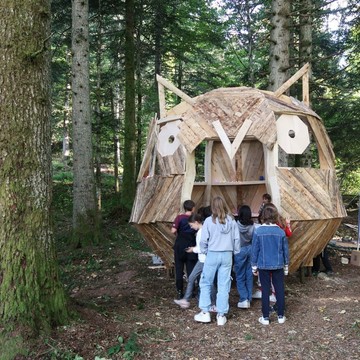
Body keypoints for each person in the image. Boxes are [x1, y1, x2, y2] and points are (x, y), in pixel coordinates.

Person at [194, 196, 240, 326]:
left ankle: (205, 312)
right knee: (224, 284)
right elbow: (237, 239)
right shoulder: (231, 221)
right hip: (227, 255)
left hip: (212, 253)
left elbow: (203, 240)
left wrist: (205, 251)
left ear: (212, 207)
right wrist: (235, 252)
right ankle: (221, 315)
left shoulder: (209, 221)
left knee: (206, 282)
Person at [251, 204, 289, 325]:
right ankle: (281, 316)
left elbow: (255, 250)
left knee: (265, 290)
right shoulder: (281, 232)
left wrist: (254, 266)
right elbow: (285, 251)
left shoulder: (258, 232)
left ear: (263, 217)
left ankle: (266, 317)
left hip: (263, 265)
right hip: (278, 264)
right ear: (275, 216)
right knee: (279, 289)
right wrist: (286, 265)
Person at [173, 211, 216, 310]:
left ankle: (213, 303)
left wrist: (193, 249)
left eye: (191, 225)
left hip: (204, 260)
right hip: (202, 260)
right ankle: (187, 300)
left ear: (197, 222)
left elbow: (204, 248)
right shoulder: (203, 231)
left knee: (206, 281)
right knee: (194, 278)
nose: (191, 228)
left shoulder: (201, 232)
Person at [171, 200, 197, 299]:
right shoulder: (194, 218)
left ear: (184, 208)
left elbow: (173, 230)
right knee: (191, 270)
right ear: (193, 208)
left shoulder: (179, 218)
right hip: (191, 245)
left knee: (179, 269)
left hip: (179, 246)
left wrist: (179, 234)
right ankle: (191, 292)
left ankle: (179, 292)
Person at [234, 205, 257, 309]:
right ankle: (249, 297)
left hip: (239, 250)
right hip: (250, 249)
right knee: (249, 274)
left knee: (239, 275)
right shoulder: (253, 226)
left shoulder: (235, 225)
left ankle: (244, 298)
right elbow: (255, 239)